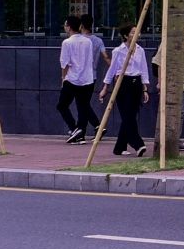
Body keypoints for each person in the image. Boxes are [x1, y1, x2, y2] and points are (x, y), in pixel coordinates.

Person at [103, 29, 152, 158]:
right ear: (125, 35)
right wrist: (105, 87)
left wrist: (145, 88)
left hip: (136, 83)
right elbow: (112, 70)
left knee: (131, 115)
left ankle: (119, 147)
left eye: (137, 32)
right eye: (132, 32)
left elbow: (143, 69)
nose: (136, 34)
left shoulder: (140, 50)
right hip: (122, 83)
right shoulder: (118, 51)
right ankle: (137, 143)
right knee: (127, 115)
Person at [56, 16, 101, 144]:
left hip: (72, 79)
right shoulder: (88, 41)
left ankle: (75, 129)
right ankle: (81, 133)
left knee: (62, 105)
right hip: (87, 78)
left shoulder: (67, 42)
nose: (65, 27)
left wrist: (63, 78)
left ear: (69, 27)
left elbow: (64, 63)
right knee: (83, 106)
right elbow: (90, 60)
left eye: (65, 25)